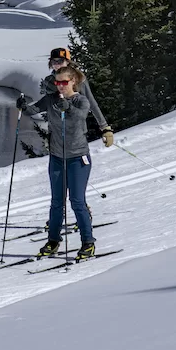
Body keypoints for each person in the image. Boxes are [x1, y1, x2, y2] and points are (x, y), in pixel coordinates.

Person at [18, 62, 113, 259]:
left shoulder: (81, 101)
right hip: (57, 158)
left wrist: (67, 107)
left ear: (73, 82)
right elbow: (33, 110)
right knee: (56, 202)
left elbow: (78, 118)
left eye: (64, 82)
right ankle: (53, 241)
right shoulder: (51, 99)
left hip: (78, 158)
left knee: (77, 201)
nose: (59, 85)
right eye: (57, 82)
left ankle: (88, 242)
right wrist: (23, 106)